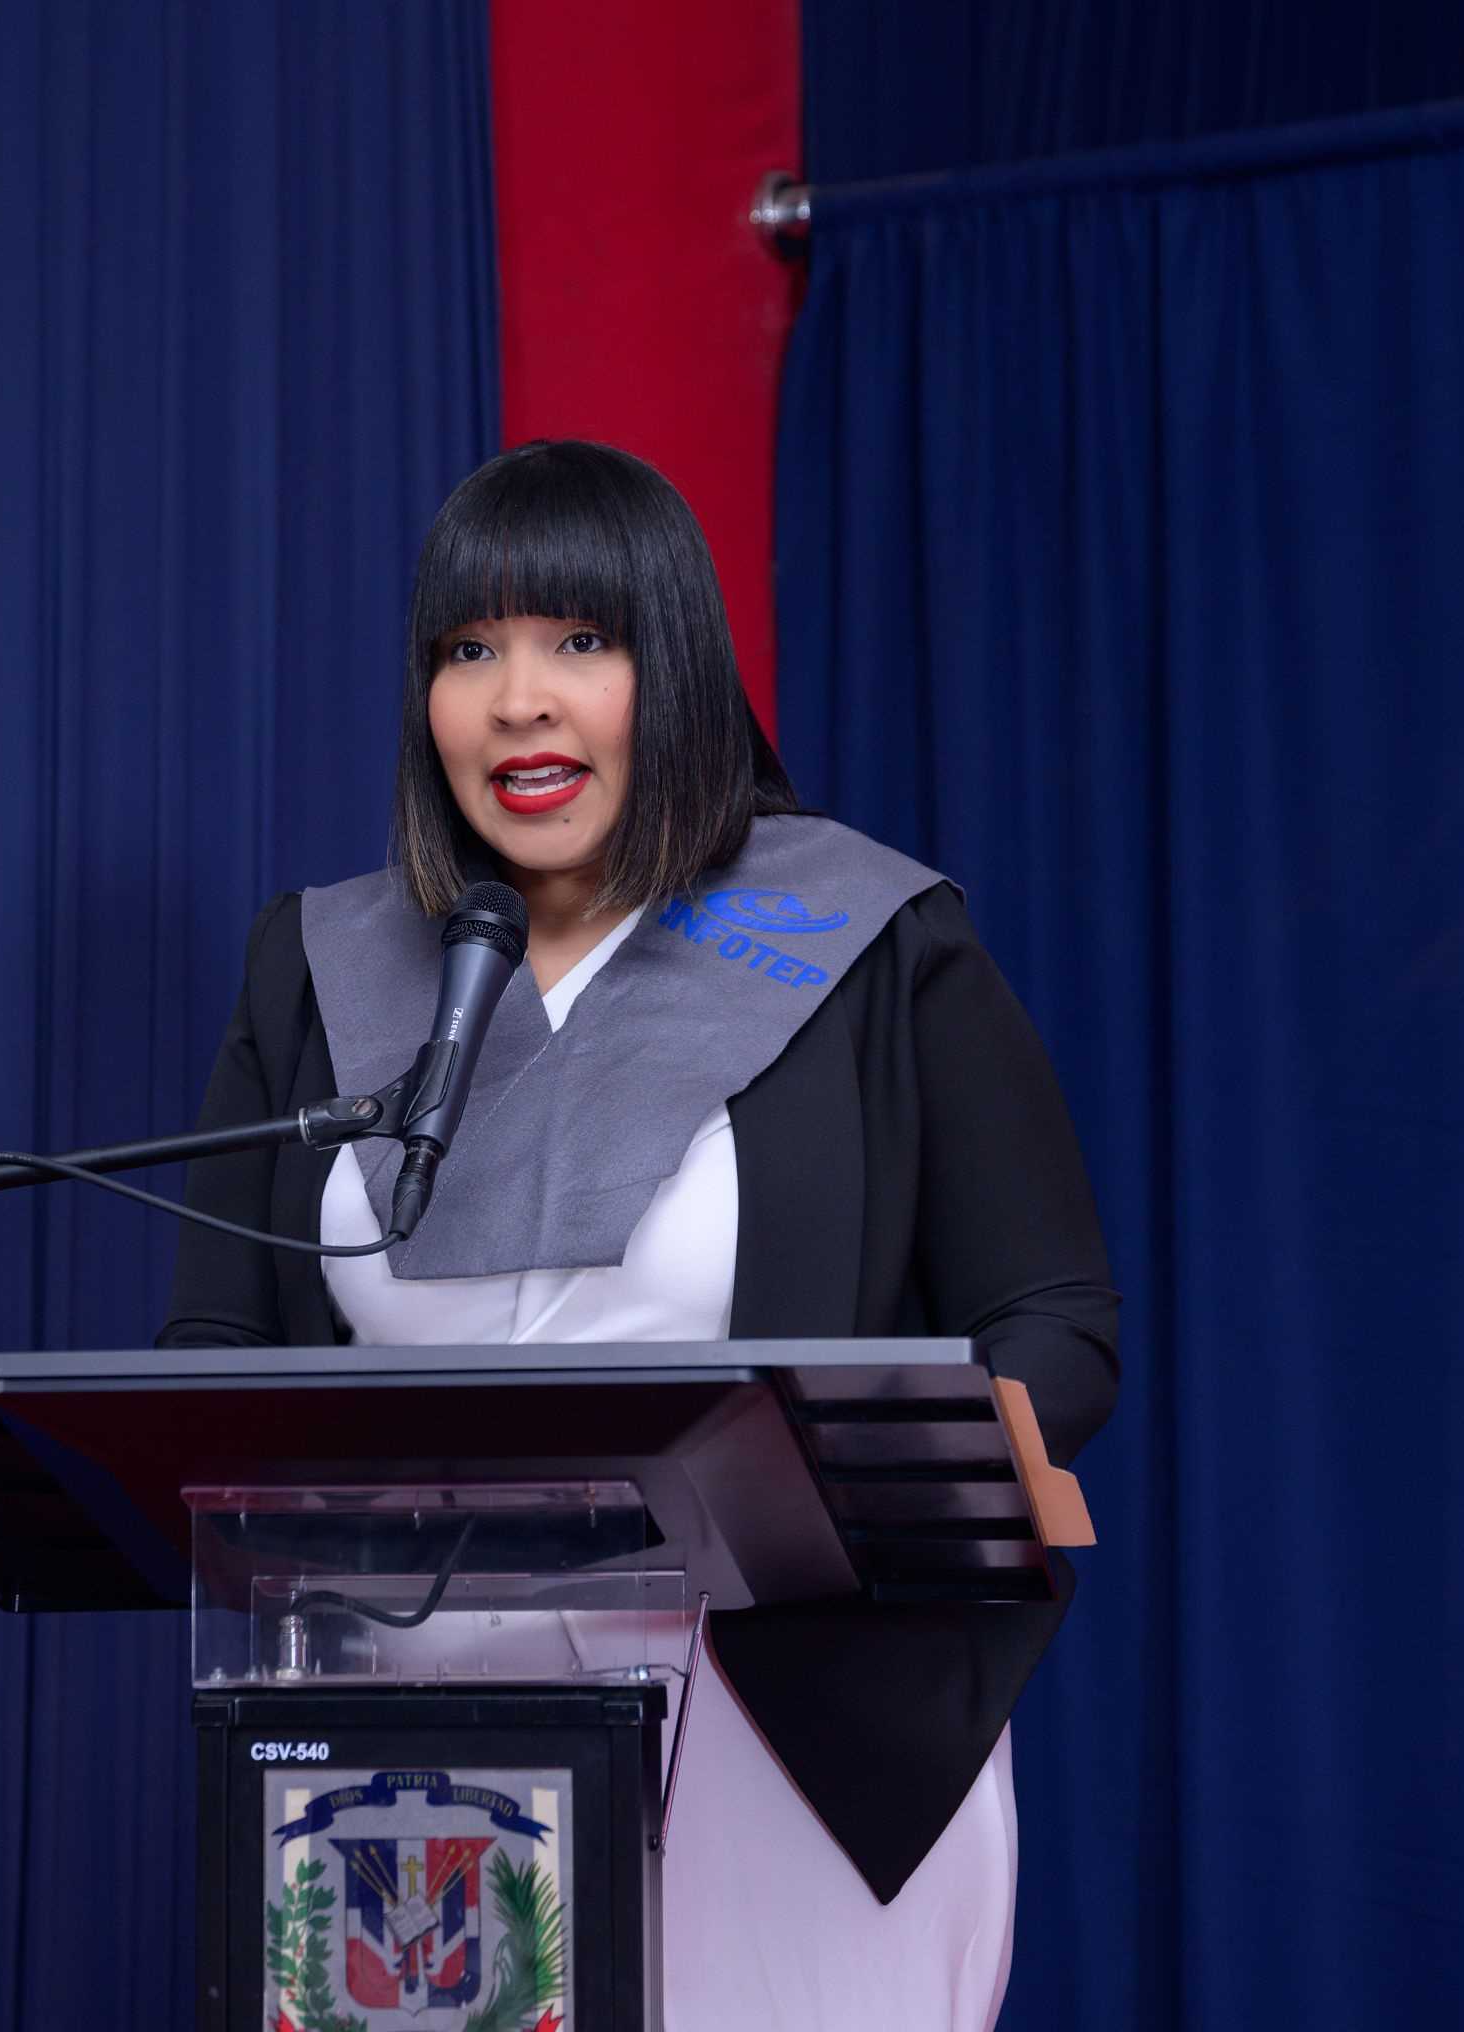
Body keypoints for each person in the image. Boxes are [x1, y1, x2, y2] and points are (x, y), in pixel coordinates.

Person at [162, 439, 1118, 2032]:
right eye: (468, 651)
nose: (516, 700)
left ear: (668, 670)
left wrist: (912, 1485)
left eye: (577, 643)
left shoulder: (865, 939)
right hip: (406, 1730)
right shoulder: (319, 963)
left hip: (790, 1732)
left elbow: (1054, 1315)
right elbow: (213, 1345)